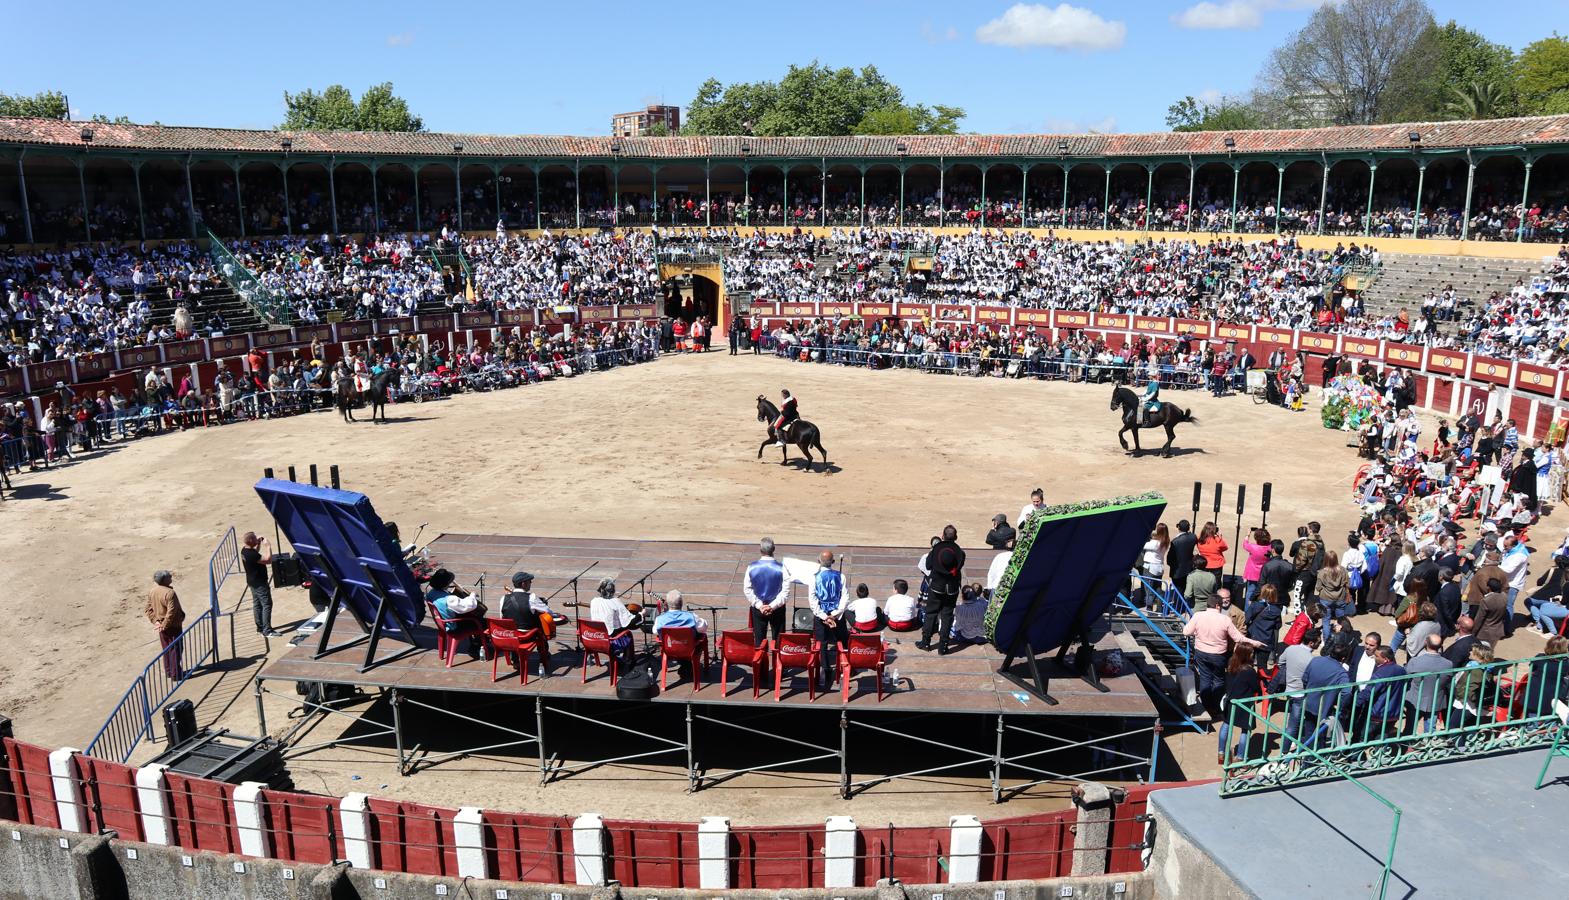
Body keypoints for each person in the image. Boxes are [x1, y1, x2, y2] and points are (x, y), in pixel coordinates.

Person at [1181, 602, 1263, 721]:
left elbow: (1186, 632)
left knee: (1205, 678)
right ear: (1218, 606)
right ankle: (1215, 708)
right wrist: (1255, 643)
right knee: (1219, 680)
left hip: (1201, 653)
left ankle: (1206, 705)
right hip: (1218, 655)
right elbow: (1238, 638)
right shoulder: (1225, 619)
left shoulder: (1198, 615)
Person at [918, 525, 965, 654]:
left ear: (943, 536)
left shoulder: (936, 550)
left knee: (931, 613)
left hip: (937, 587)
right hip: (952, 588)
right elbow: (959, 566)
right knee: (947, 616)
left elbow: (928, 565)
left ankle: (926, 642)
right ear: (955, 537)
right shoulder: (960, 552)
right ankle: (943, 647)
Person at [500, 571, 553, 672]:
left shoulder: (503, 599)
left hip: (510, 636)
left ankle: (515, 660)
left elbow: (503, 617)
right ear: (523, 584)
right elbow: (548, 612)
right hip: (528, 636)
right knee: (540, 624)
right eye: (529, 581)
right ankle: (544, 656)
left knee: (513, 626)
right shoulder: (531, 597)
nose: (531, 583)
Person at [808, 550, 848, 684]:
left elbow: (813, 601)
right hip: (837, 616)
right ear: (834, 562)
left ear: (818, 561)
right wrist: (834, 615)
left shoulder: (814, 577)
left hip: (821, 617)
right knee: (842, 641)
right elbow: (845, 598)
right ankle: (844, 667)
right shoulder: (841, 576)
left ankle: (825, 670)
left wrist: (824, 616)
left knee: (822, 643)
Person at [1403, 633, 1454, 735]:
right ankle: (1428, 747)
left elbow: (1405, 678)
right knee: (1430, 730)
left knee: (1409, 728)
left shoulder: (1415, 661)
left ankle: (1405, 747)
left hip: (1415, 700)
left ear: (1426, 643)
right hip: (1435, 700)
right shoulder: (1448, 664)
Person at [427, 568, 486, 657]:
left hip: (442, 623)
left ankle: (478, 642)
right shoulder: (450, 600)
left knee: (476, 619)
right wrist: (472, 595)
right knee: (481, 621)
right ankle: (479, 645)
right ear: (446, 584)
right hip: (453, 626)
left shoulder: (431, 593)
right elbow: (468, 606)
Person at [1218, 643, 1259, 763]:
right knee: (1246, 729)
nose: (1253, 654)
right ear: (1246, 655)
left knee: (1226, 724)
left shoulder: (1231, 663)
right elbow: (1255, 687)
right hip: (1244, 703)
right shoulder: (1249, 671)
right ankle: (1240, 756)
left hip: (1230, 700)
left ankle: (1221, 752)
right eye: (1251, 653)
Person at [589, 577, 640, 670]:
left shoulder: (593, 601)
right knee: (627, 633)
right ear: (613, 590)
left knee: (618, 628)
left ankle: (621, 659)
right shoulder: (616, 602)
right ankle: (629, 662)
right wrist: (641, 614)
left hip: (594, 639)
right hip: (609, 641)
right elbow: (629, 622)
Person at [744, 537, 788, 645]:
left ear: (760, 550)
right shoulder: (782, 568)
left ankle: (761, 661)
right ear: (774, 549)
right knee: (778, 640)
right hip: (777, 609)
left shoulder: (751, 567)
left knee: (759, 640)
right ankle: (777, 661)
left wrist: (760, 605)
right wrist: (772, 606)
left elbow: (747, 589)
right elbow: (785, 592)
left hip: (759, 609)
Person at [145, 570, 186, 679]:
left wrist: (156, 622)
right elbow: (171, 612)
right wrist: (165, 624)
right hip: (173, 626)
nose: (171, 578)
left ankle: (169, 671)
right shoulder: (169, 593)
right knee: (176, 649)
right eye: (169, 577)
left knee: (167, 649)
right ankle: (176, 674)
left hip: (162, 626)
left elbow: (148, 610)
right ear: (164, 580)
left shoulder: (152, 591)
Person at [241, 531, 281, 638]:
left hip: (252, 582)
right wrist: (268, 547)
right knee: (267, 604)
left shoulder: (245, 551)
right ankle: (267, 630)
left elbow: (256, 555)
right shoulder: (251, 554)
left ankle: (260, 628)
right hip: (260, 583)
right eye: (255, 538)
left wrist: (258, 544)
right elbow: (268, 560)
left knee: (257, 604)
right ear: (250, 541)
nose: (256, 539)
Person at [1315, 550, 1352, 640]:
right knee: (1341, 620)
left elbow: (1318, 587)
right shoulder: (1343, 570)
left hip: (1325, 599)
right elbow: (1348, 584)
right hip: (1340, 598)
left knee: (1326, 620)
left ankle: (1327, 640)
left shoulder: (1322, 572)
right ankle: (1341, 639)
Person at [1244, 584, 1283, 667]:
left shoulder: (1255, 605)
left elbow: (1246, 620)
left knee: (1248, 663)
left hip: (1253, 637)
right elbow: (1278, 626)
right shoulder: (1277, 610)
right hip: (1266, 640)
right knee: (1262, 666)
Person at [1474, 576, 1509, 649]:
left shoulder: (1486, 601)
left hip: (1484, 632)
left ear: (1489, 588)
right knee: (1490, 650)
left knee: (1480, 652)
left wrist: (1473, 632)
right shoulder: (1504, 596)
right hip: (1497, 630)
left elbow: (1479, 619)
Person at [1169, 519, 1198, 597]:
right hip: (1189, 569)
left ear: (1179, 528)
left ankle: (1178, 608)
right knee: (1186, 589)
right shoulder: (1193, 537)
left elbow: (1170, 558)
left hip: (1177, 571)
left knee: (1178, 592)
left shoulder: (1175, 542)